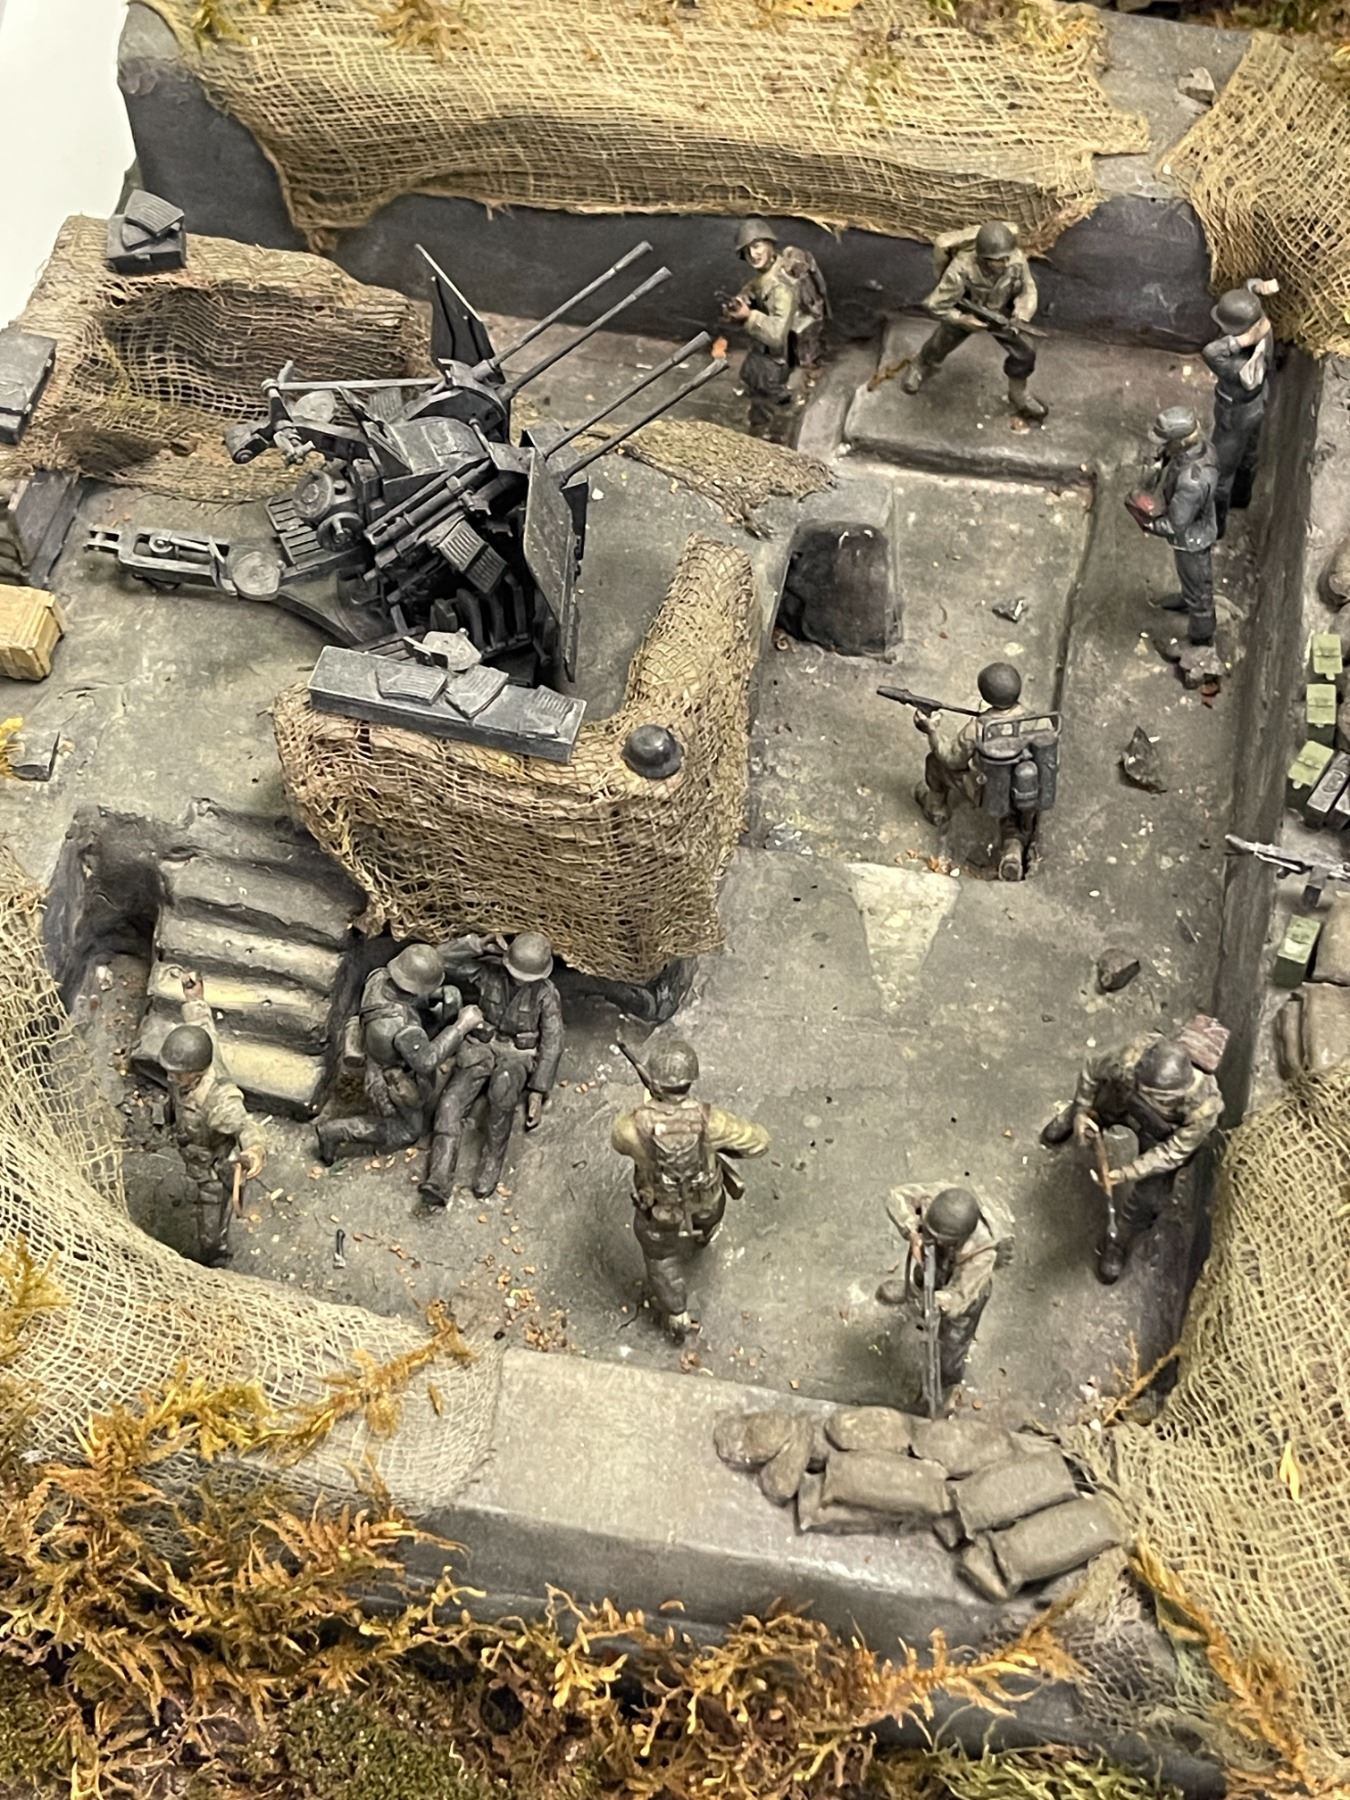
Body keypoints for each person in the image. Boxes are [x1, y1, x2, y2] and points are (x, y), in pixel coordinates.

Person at [611, 1038, 769, 1340]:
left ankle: (677, 1314)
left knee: (660, 1259)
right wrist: (719, 1147)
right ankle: (705, 1234)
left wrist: (647, 1110)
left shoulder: (630, 1127)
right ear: (690, 1080)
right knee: (710, 1214)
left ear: (654, 1081)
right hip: (707, 1202)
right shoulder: (711, 1120)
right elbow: (760, 1142)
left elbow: (619, 1143)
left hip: (659, 1213)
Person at [1041, 1033, 1223, 1282]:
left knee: (1149, 1199)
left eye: (1155, 1096)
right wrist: (1082, 1111)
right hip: (1121, 1101)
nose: (1147, 1096)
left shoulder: (1203, 1107)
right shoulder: (1129, 1058)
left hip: (1161, 1138)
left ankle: (1119, 1240)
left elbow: (1172, 1153)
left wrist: (1126, 1172)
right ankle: (1075, 1117)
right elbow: (1091, 1071)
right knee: (1096, 1102)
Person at [422, 931, 563, 1203]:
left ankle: (491, 1163)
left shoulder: (546, 994)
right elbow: (438, 959)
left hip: (517, 1055)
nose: (519, 980)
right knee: (450, 1103)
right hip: (481, 1046)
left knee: (503, 1092)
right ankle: (438, 1178)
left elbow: (553, 1041)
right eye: (515, 972)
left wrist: (537, 1090)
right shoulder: (489, 973)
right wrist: (474, 944)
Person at [316, 942, 481, 1170]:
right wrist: (462, 1025)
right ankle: (335, 1132)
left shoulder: (379, 976)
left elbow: (401, 998)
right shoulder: (404, 1028)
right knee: (408, 1131)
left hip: (374, 1049)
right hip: (386, 1079)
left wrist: (434, 996)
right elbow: (427, 1061)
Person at [160, 970, 266, 1265]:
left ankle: (215, 1259)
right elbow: (201, 1024)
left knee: (210, 1231)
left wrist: (254, 1150)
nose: (170, 1077)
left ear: (197, 1072)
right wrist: (194, 998)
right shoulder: (201, 1051)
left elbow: (246, 1126)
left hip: (214, 1173)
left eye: (178, 1073)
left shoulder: (219, 1101)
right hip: (195, 1157)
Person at [902, 220, 1047, 421]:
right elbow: (934, 305)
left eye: (1006, 257)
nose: (1005, 264)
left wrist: (1021, 314)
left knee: (1025, 351)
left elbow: (1028, 290)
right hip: (970, 310)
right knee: (940, 343)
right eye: (998, 260)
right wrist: (961, 319)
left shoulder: (1016, 261)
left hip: (1002, 314)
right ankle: (920, 365)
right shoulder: (961, 269)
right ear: (983, 259)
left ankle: (1018, 392)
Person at [913, 660, 1039, 882]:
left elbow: (951, 759)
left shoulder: (978, 728)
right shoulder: (1036, 720)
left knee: (935, 763)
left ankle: (936, 809)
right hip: (1024, 788)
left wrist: (931, 731)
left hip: (987, 790)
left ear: (986, 695)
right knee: (1011, 818)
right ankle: (1012, 851)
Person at [877, 1187, 997, 1406]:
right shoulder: (936, 1198)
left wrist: (935, 1303)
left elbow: (958, 1298)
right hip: (938, 1260)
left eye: (939, 1237)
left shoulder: (982, 1254)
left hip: (967, 1290)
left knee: (952, 1343)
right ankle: (914, 1293)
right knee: (922, 1276)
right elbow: (896, 1196)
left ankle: (946, 1385)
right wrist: (914, 1234)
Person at [723, 218, 828, 441]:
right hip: (777, 348)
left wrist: (748, 316)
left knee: (761, 390)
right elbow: (757, 287)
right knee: (752, 374)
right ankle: (782, 401)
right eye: (747, 250)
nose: (753, 254)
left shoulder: (781, 287)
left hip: (780, 352)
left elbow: (777, 335)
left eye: (757, 246)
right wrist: (742, 300)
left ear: (770, 243)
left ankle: (760, 434)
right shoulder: (773, 269)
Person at [1128, 406, 1220, 649]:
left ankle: (1200, 641)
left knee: (1200, 594)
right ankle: (1187, 597)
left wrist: (1147, 522)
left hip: (1192, 540)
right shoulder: (1201, 449)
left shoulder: (1192, 482)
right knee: (1190, 579)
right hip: (1196, 525)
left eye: (1166, 443)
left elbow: (1175, 525)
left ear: (1179, 443)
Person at [1203, 278, 1279, 539]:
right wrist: (1252, 289)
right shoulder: (1264, 331)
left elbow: (1210, 352)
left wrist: (1240, 340)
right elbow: (1252, 309)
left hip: (1235, 416)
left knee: (1220, 474)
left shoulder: (1238, 366)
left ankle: (1216, 526)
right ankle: (1242, 497)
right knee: (1248, 454)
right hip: (1257, 403)